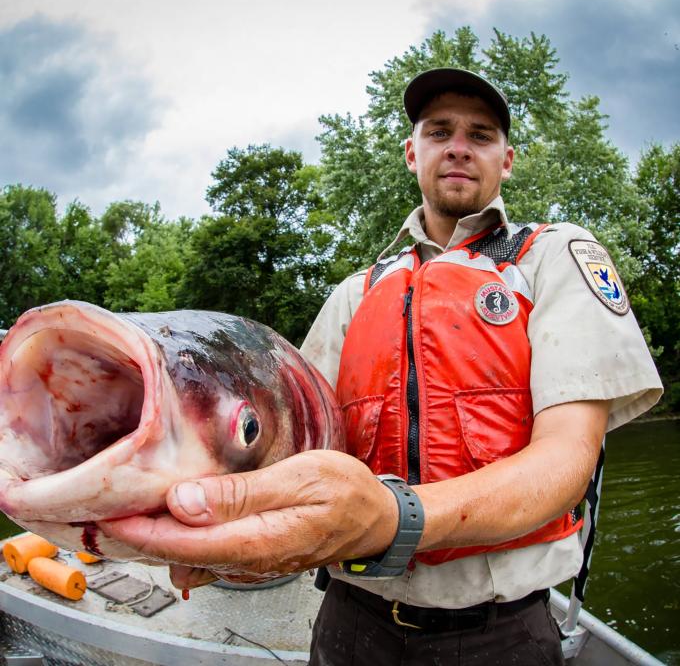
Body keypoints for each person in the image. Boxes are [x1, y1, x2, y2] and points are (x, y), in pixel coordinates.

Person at [102, 69, 663, 665]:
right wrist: (220, 530)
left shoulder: (556, 257)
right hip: (350, 623)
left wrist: (395, 520)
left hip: (501, 635)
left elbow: (565, 461)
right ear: (410, 152)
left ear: (508, 160)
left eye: (481, 135)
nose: (458, 146)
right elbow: (290, 452)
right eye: (439, 130)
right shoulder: (354, 293)